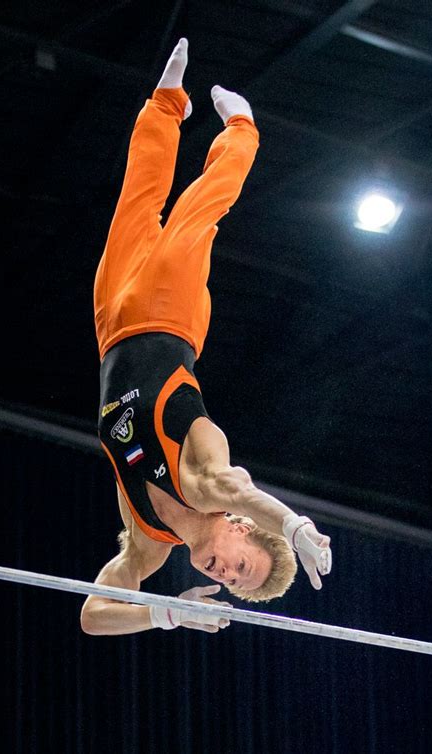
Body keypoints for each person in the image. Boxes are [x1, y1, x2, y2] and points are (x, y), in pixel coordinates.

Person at [81, 38, 332, 637]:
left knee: (135, 206)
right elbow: (231, 486)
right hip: (170, 318)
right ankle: (242, 129)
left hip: (112, 328)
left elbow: (93, 617)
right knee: (198, 212)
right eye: (242, 567)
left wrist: (166, 613)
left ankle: (167, 105)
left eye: (232, 584)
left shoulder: (149, 543)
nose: (225, 575)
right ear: (242, 527)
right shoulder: (207, 482)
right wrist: (295, 524)